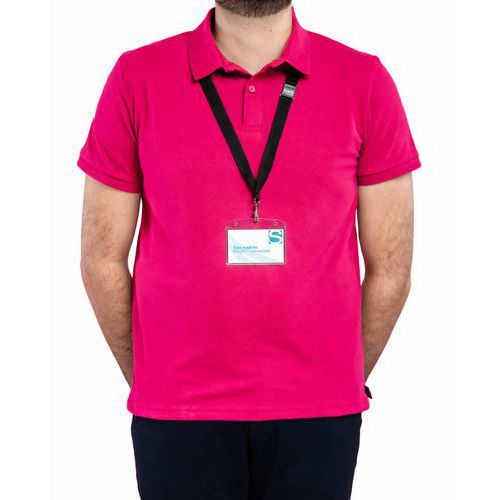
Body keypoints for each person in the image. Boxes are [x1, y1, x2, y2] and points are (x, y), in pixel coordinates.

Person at [78, 1, 420, 498]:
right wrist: (154, 377)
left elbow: (392, 269)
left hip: (319, 413)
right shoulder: (137, 76)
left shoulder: (364, 80)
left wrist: (339, 378)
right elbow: (100, 258)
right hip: (178, 412)